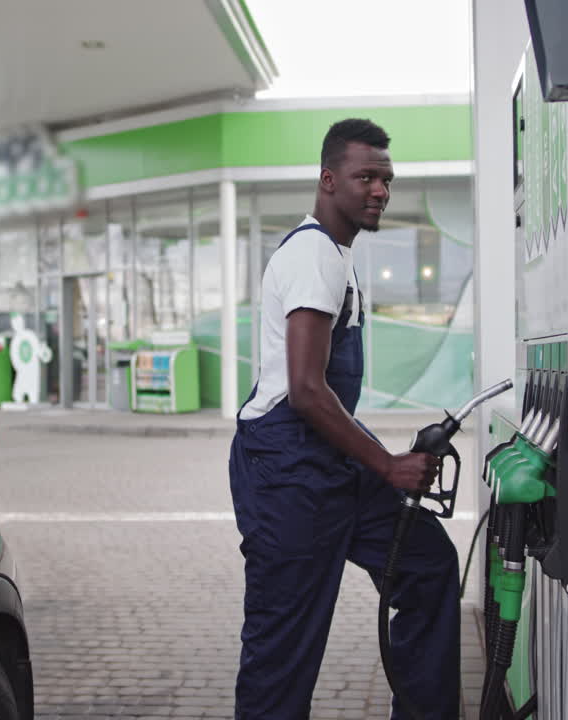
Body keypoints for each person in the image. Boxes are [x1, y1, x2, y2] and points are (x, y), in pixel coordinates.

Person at [229, 118, 460, 719]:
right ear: (329, 180)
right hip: (289, 475)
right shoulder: (313, 256)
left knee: (428, 566)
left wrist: (383, 464)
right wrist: (387, 464)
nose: (379, 189)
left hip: (326, 467)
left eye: (386, 178)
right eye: (366, 177)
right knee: (282, 654)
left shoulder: (337, 254)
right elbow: (306, 391)